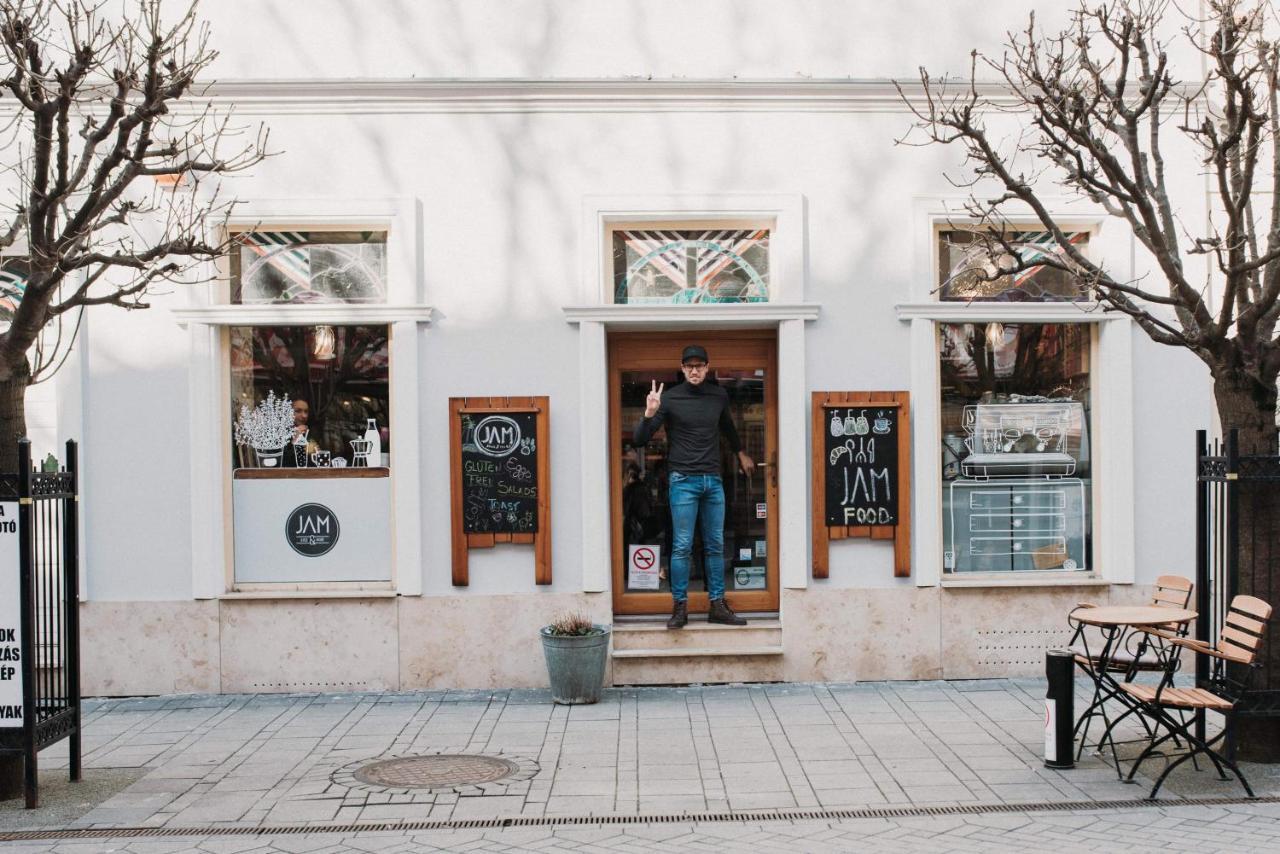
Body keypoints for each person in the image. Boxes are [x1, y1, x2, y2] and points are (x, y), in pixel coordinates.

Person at [632, 345, 755, 629]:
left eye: (700, 365)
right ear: (682, 368)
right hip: (682, 481)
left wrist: (740, 452)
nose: (695, 370)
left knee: (715, 545)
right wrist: (650, 412)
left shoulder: (719, 396)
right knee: (682, 547)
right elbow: (640, 439)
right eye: (690, 366)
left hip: (712, 480)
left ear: (708, 368)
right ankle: (680, 608)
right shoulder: (671, 399)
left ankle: (717, 606)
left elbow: (728, 428)